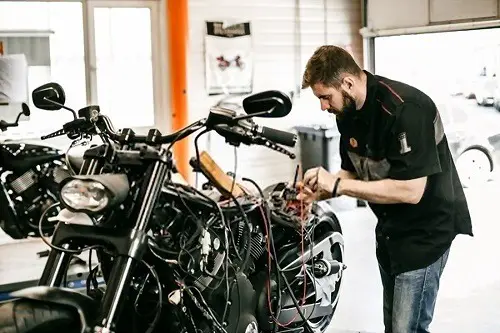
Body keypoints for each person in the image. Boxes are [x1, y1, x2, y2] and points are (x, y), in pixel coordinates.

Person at [297, 45, 473, 333]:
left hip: (426, 234)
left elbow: (411, 191)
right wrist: (321, 189)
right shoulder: (347, 114)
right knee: (393, 326)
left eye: (325, 97)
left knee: (408, 329)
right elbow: (350, 172)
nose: (323, 107)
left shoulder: (406, 110)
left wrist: (339, 185)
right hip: (390, 231)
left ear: (348, 83)